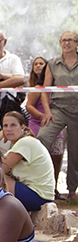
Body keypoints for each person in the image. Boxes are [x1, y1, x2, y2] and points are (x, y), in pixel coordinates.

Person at [39, 31, 78, 200]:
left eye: (70, 40)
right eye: (63, 40)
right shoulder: (53, 64)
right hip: (58, 109)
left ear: (77, 43)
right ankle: (41, 184)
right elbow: (45, 90)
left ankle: (71, 190)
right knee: (41, 139)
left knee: (76, 151)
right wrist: (47, 111)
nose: (66, 43)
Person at [25, 56, 64, 199]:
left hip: (55, 126)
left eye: (41, 63)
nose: (38, 66)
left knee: (57, 157)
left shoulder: (56, 86)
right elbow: (29, 106)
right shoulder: (37, 88)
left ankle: (53, 188)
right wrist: (43, 117)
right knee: (40, 158)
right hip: (38, 126)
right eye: (35, 64)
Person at [0, 111, 55, 211]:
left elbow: (0, 169)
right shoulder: (20, 143)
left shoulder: (25, 142)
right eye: (5, 126)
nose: (8, 129)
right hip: (38, 195)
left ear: (22, 127)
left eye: (13, 125)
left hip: (39, 196)